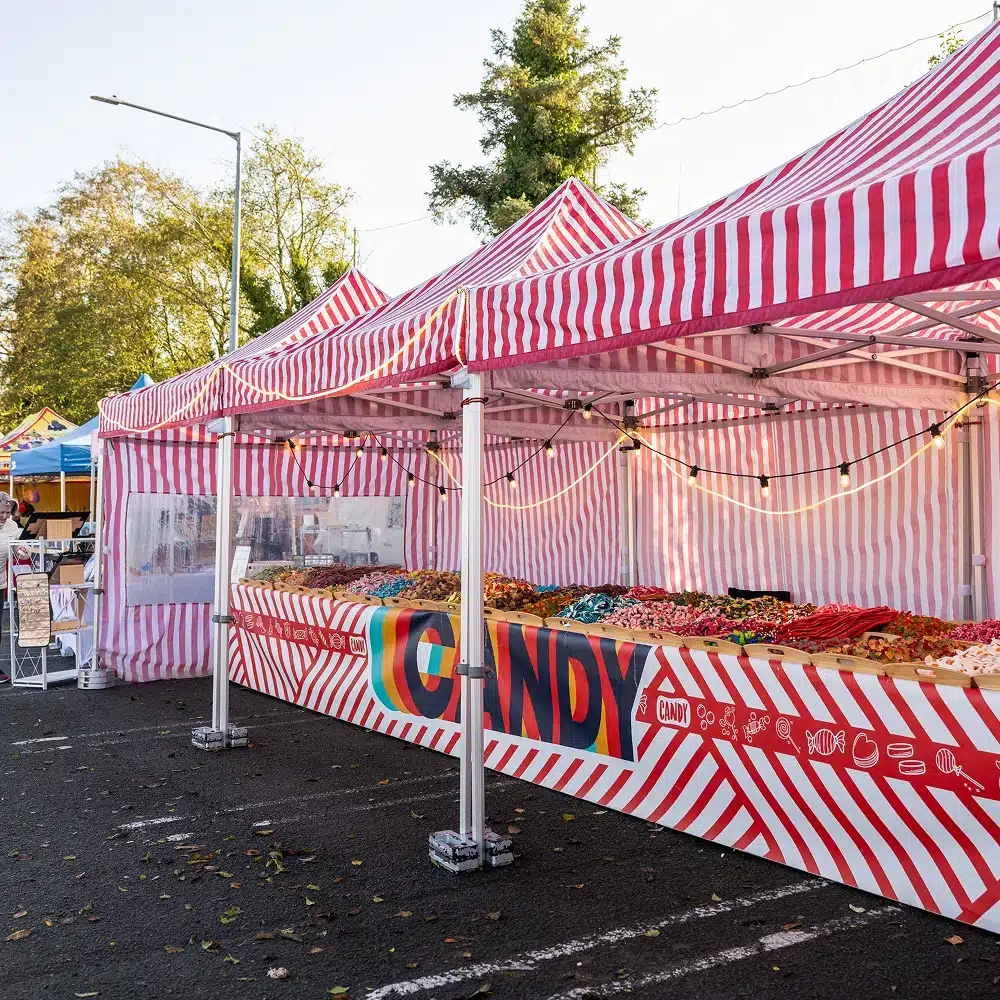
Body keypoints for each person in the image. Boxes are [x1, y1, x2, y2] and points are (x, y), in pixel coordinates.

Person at [0, 495, 20, 683]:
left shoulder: (12, 526)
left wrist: (23, 549)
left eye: (7, 513)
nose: (4, 516)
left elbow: (15, 549)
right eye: (1, 512)